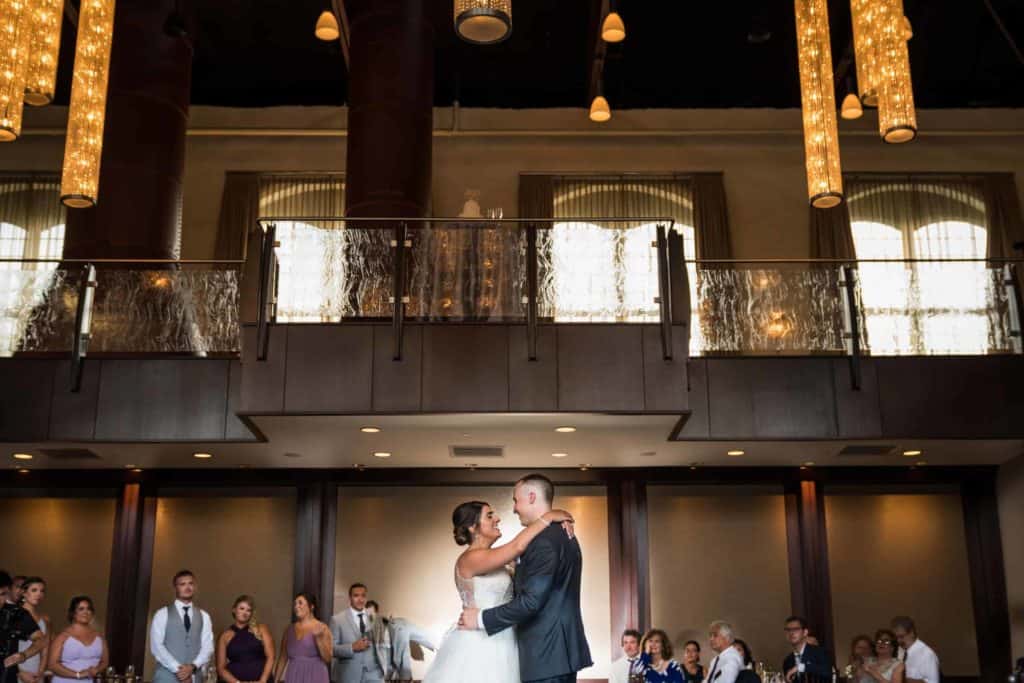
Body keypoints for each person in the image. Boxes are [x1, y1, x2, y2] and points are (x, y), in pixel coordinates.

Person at [427, 480, 581, 683]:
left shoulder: (498, 560)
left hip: (507, 639)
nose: (497, 518)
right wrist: (548, 517)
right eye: (489, 515)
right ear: (473, 528)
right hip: (480, 641)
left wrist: (556, 525)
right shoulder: (470, 559)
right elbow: (517, 546)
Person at [149, 570, 215, 683]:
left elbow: (208, 647)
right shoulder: (162, 614)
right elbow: (156, 647)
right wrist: (179, 670)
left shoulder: (204, 616)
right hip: (166, 678)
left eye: (191, 583)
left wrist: (192, 667)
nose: (187, 587)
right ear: (175, 588)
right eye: (182, 584)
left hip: (195, 677)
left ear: (195, 587)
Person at [363, 601, 435, 682]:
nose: (369, 614)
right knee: (391, 665)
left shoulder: (387, 621)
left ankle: (405, 679)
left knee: (401, 662)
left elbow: (421, 636)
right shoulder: (368, 623)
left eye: (371, 612)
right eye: (367, 612)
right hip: (386, 645)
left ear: (376, 611)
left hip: (394, 637)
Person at [329, 584, 386, 683]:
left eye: (363, 596)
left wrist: (384, 669)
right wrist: (352, 647)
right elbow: (331, 649)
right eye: (356, 596)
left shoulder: (375, 617)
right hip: (349, 676)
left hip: (374, 675)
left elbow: (382, 645)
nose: (360, 599)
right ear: (350, 598)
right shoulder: (337, 620)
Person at [47, 597, 108, 683]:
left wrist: (97, 669)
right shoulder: (63, 636)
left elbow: (105, 661)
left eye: (88, 609)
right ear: (73, 613)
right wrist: (78, 674)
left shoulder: (99, 636)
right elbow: (52, 665)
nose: (85, 612)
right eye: (81, 609)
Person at [216, 596, 274, 683]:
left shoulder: (261, 629)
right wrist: (237, 682)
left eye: (248, 610)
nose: (245, 612)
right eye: (242, 608)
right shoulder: (225, 636)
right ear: (234, 610)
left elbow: (271, 657)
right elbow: (221, 668)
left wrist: (263, 680)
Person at [1, 571, 46, 683]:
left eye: (2, 594)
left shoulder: (16, 613)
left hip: (7, 676)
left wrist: (23, 655)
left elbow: (40, 640)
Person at [274, 593, 330, 683]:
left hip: (316, 675)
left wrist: (319, 639)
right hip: (294, 675)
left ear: (311, 606)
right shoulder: (289, 630)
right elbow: (283, 658)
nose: (296, 606)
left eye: (300, 603)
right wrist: (275, 680)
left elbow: (327, 658)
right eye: (295, 604)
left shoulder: (322, 627)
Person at [16, 578, 51, 683]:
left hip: (36, 673)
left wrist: (40, 672)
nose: (39, 594)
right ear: (24, 593)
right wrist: (19, 672)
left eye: (42, 591)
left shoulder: (45, 619)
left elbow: (45, 648)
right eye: (34, 590)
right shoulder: (15, 615)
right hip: (16, 670)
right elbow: (7, 648)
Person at [782, 617, 832, 683]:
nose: (791, 633)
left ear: (805, 632)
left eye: (796, 629)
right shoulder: (787, 661)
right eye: (788, 630)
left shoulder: (820, 652)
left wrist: (800, 667)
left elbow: (827, 671)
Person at [889, 618, 936, 683]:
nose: (898, 641)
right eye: (896, 637)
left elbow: (933, 682)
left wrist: (902, 679)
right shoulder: (900, 651)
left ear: (912, 633)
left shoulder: (926, 653)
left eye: (901, 636)